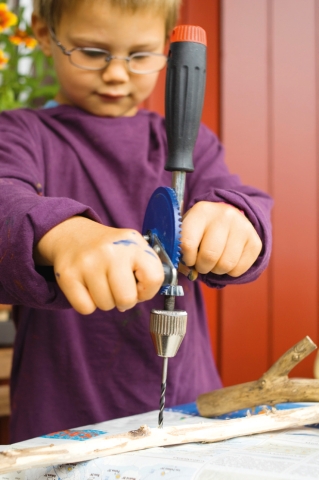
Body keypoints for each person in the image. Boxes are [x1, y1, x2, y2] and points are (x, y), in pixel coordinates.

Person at [0, 0, 272, 443]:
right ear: (44, 32)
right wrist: (66, 234)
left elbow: (242, 203)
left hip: (186, 414)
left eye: (141, 55)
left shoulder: (191, 144)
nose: (116, 74)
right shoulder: (20, 135)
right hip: (59, 423)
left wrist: (238, 223)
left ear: (169, 48)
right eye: (92, 52)